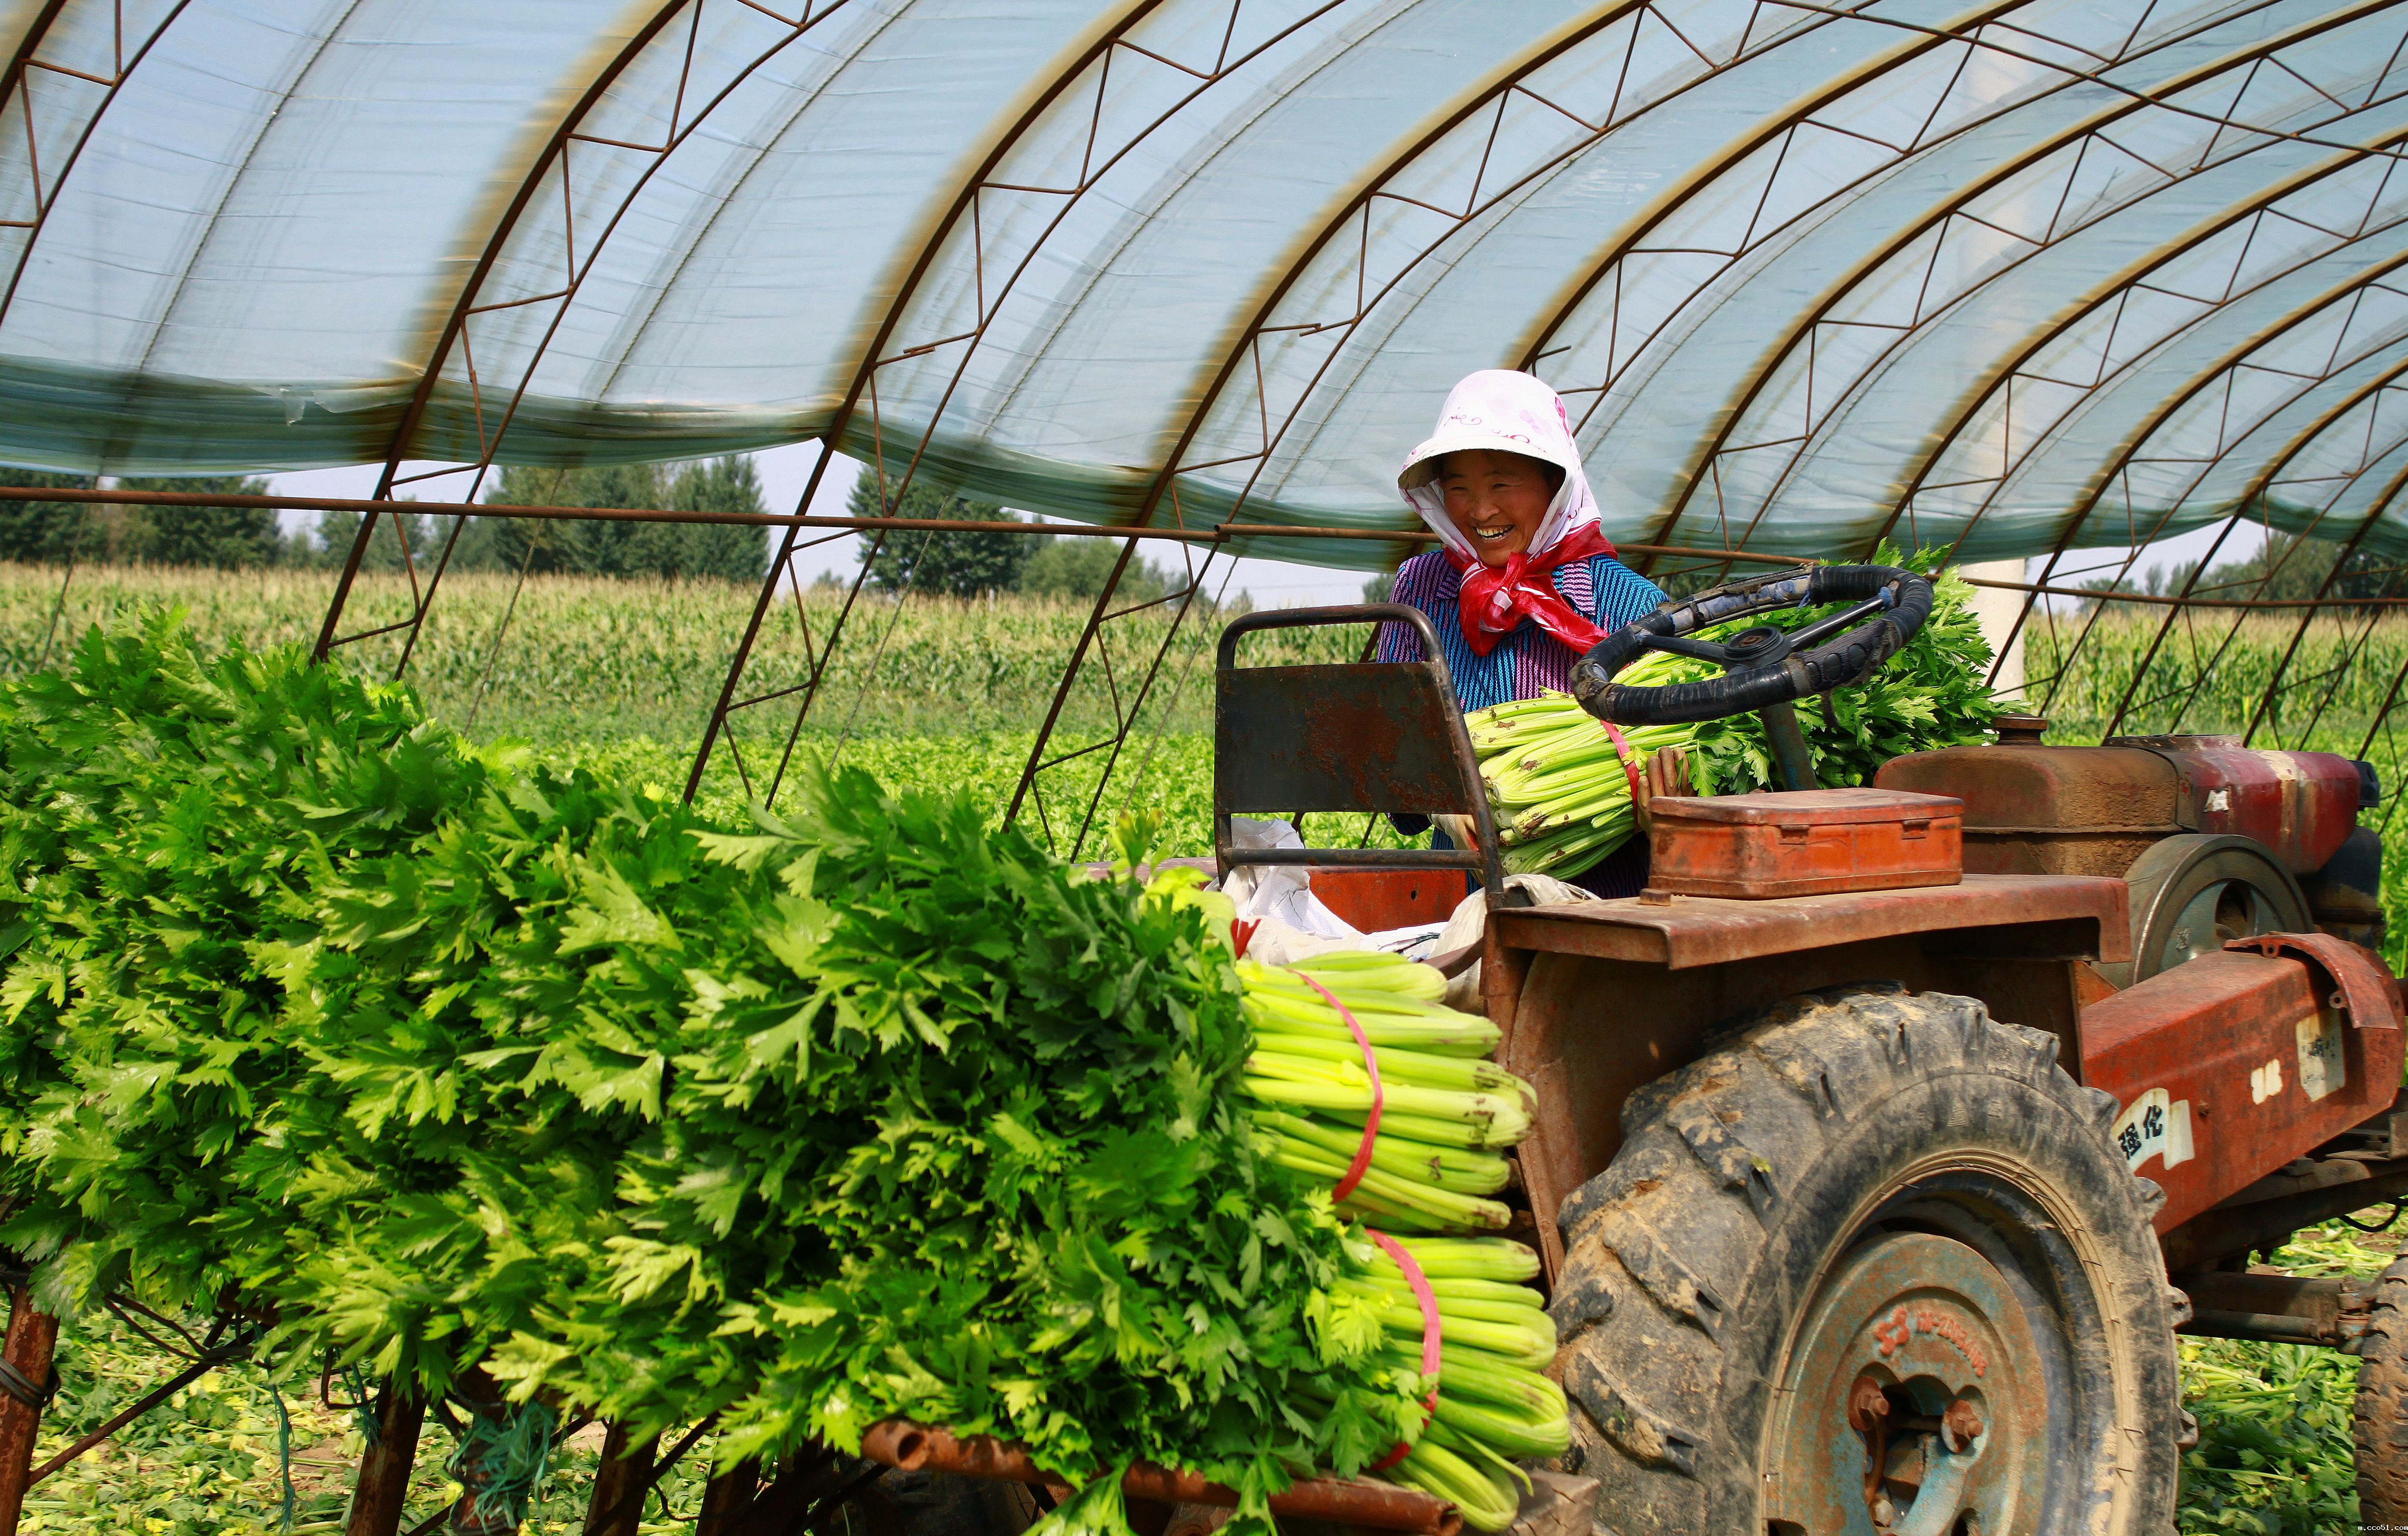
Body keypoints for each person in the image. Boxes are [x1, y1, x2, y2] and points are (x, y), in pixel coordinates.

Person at [1374, 369, 1668, 896]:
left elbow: (1681, 786)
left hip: (1609, 908)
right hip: (1464, 909)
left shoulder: (1631, 607)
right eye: (1457, 488)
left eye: (1500, 483)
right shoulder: (1419, 592)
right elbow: (1381, 752)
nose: (1479, 510)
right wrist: (1433, 793)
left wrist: (1666, 806)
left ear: (1555, 485)